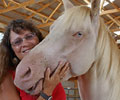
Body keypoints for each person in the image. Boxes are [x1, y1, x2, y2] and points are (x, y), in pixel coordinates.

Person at [0, 19, 70, 100]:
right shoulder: (6, 76)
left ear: (39, 39)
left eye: (29, 37)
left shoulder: (49, 70)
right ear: (11, 49)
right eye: (17, 42)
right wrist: (47, 92)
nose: (25, 43)